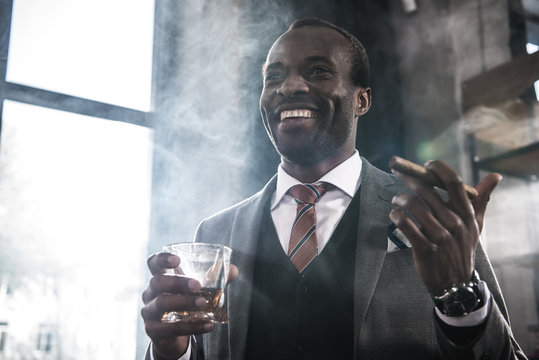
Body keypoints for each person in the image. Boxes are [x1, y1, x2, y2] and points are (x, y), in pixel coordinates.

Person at [141, 18, 526, 360]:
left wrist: (461, 300)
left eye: (319, 70)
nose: (289, 86)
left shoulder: (431, 216)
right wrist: (168, 351)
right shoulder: (216, 233)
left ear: (362, 99)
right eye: (273, 76)